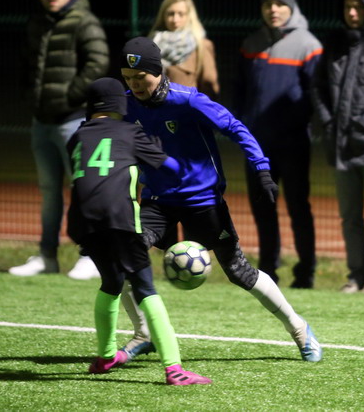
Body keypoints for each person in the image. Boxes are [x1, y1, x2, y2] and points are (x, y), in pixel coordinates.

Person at [118, 36, 323, 363]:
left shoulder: (189, 101)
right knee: (124, 259)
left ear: (157, 71)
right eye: (128, 78)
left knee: (238, 270)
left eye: (141, 77)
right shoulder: (126, 105)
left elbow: (236, 128)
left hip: (203, 200)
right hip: (158, 199)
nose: (134, 84)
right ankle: (143, 334)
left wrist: (261, 168)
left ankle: (299, 328)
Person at [66, 77, 211, 385]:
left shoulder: (76, 136)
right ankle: (174, 369)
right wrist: (158, 153)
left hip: (82, 223)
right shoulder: (129, 132)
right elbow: (169, 167)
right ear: (119, 104)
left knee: (111, 283)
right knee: (146, 289)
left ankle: (106, 356)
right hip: (119, 219)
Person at [8, 0, 109, 280]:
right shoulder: (36, 22)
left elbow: (98, 61)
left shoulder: (84, 21)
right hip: (42, 123)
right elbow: (27, 64)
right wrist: (31, 98)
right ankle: (47, 256)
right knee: (49, 191)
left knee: (84, 190)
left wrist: (70, 97)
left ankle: (91, 256)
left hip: (73, 122)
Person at [234, 0, 323, 288]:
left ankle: (305, 273)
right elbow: (240, 91)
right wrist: (242, 126)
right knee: (263, 208)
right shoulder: (251, 44)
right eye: (267, 4)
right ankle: (268, 270)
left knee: (299, 207)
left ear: (291, 6)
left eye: (280, 4)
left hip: (293, 142)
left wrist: (302, 123)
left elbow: (315, 94)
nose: (273, 10)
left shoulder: (309, 45)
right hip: (257, 145)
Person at [311, 0, 364, 295]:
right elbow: (318, 87)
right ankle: (357, 276)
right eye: (348, 7)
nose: (352, 13)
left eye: (358, 7)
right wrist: (329, 122)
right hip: (341, 146)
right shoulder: (335, 42)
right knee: (349, 217)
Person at [148, 0, 220, 100]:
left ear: (189, 16)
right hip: (155, 108)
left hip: (186, 108)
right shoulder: (152, 43)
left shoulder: (201, 45)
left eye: (181, 14)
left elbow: (209, 84)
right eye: (171, 14)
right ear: (163, 15)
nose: (175, 19)